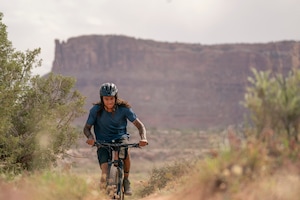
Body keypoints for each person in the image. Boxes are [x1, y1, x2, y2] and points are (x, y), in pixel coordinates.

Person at [83, 82, 148, 196]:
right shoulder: (96, 110)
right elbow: (87, 128)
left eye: (112, 98)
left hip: (120, 138)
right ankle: (103, 195)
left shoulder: (124, 109)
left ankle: (126, 179)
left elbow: (140, 125)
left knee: (124, 153)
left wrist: (143, 138)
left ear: (116, 97)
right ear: (102, 99)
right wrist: (90, 137)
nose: (109, 102)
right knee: (104, 172)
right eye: (106, 99)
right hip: (102, 141)